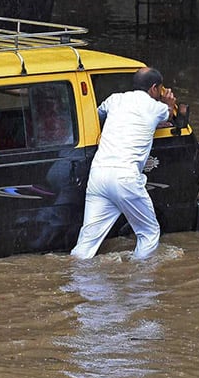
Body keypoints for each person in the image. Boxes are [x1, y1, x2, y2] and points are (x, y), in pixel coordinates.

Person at [70, 67, 186, 259]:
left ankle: (79, 282)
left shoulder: (115, 99)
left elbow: (95, 117)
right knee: (148, 233)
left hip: (98, 175)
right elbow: (170, 116)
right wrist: (168, 103)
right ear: (154, 88)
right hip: (125, 178)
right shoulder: (156, 108)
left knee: (87, 243)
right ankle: (138, 282)